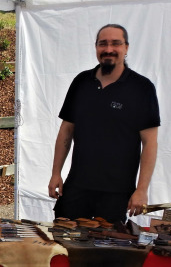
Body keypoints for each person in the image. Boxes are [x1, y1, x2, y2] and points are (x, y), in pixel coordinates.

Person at [48, 24, 160, 223]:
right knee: (65, 243)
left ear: (126, 47)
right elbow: (66, 130)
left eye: (116, 43)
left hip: (116, 193)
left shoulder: (142, 88)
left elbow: (150, 143)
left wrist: (141, 189)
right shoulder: (81, 82)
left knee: (107, 249)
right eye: (103, 44)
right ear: (96, 47)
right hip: (77, 186)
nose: (109, 49)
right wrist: (56, 173)